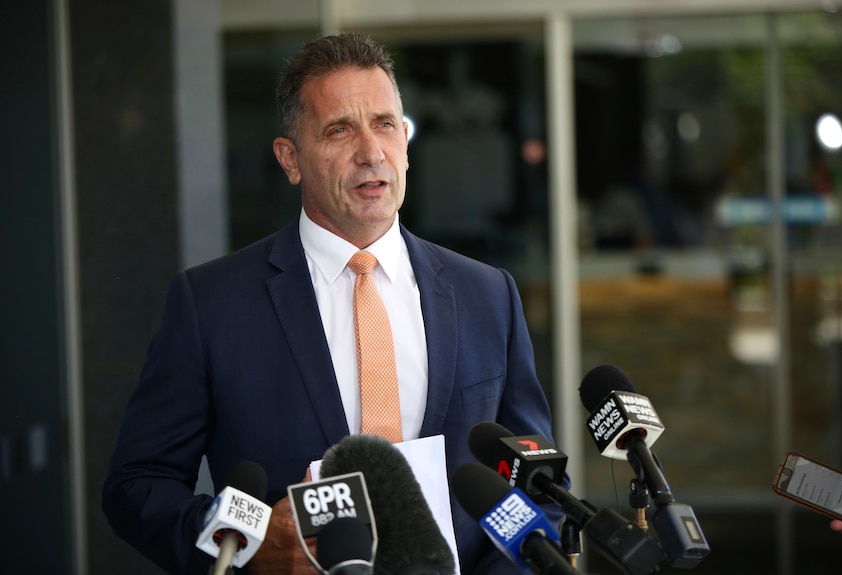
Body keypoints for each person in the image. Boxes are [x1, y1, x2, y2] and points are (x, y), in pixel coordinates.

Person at [103, 33, 564, 575]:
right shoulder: (210, 305)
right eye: (340, 130)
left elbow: (539, 487)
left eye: (386, 124)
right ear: (290, 159)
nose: (371, 153)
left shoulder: (488, 295)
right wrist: (251, 545)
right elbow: (139, 487)